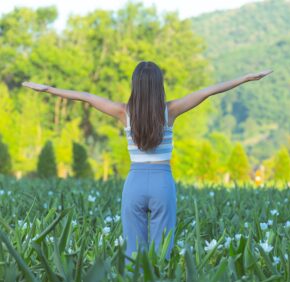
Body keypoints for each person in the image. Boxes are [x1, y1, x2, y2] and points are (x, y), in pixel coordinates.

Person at [22, 60, 272, 269]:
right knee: (162, 250)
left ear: (136, 86)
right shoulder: (171, 110)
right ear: (158, 86)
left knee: (133, 252)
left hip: (135, 184)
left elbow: (86, 97)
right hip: (163, 183)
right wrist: (246, 78)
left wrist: (47, 89)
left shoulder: (123, 112)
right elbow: (208, 91)